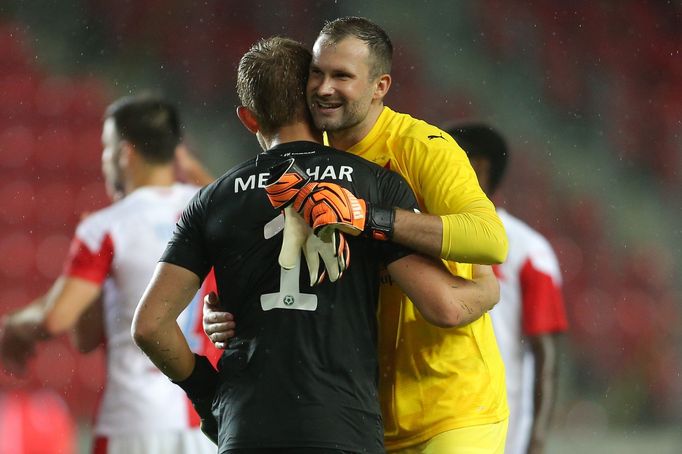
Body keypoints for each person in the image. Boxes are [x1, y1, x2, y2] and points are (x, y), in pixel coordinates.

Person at [132, 36, 500, 454]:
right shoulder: (372, 184)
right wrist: (487, 289)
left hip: (246, 425)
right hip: (343, 424)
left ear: (249, 119)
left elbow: (149, 326)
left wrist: (209, 396)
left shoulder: (213, 199)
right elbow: (445, 306)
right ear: (313, 102)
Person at [0, 95, 217, 454]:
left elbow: (57, 318)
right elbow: (85, 335)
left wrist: (14, 326)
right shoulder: (210, 210)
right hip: (204, 421)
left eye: (106, 148)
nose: (103, 160)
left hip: (131, 423)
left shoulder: (108, 227)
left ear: (125, 154)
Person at [447, 123, 569, 454]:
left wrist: (537, 439)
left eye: (445, 158)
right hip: (431, 412)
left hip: (500, 423)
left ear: (478, 169)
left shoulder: (528, 249)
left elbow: (546, 353)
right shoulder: (425, 234)